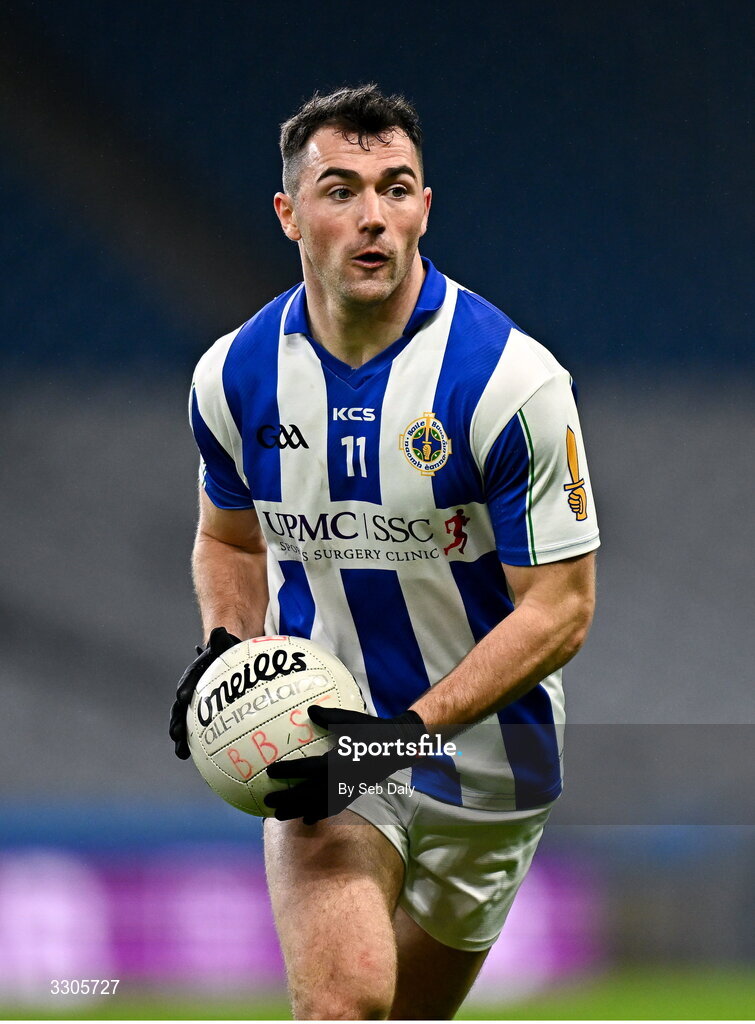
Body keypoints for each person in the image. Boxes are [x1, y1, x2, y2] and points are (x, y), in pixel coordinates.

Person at [170, 84, 599, 1020]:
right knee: (342, 1010)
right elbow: (227, 536)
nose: (373, 217)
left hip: (491, 767)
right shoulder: (233, 376)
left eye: (395, 188)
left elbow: (560, 607)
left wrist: (397, 740)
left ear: (425, 207)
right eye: (340, 190)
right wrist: (224, 652)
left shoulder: (508, 381)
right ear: (288, 214)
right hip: (325, 747)